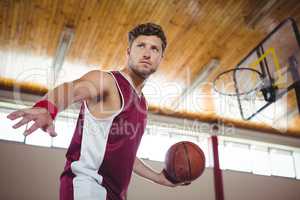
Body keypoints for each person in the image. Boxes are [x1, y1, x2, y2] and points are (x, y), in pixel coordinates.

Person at [7, 23, 188, 200]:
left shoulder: (142, 103)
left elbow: (125, 155)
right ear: (128, 52)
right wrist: (48, 107)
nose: (147, 53)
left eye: (155, 49)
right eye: (141, 46)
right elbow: (73, 89)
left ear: (161, 58)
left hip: (114, 194)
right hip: (87, 187)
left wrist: (158, 177)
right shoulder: (108, 82)